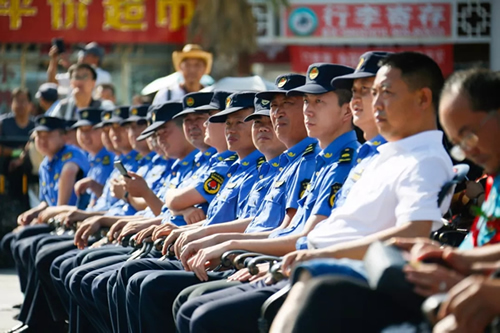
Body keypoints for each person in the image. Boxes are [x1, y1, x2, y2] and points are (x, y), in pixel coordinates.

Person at [47, 41, 112, 91]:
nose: (82, 55)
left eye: (86, 53)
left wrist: (70, 66)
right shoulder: (74, 74)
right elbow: (52, 81)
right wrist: (53, 60)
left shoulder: (104, 75)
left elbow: (84, 81)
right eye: (82, 52)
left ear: (96, 58)